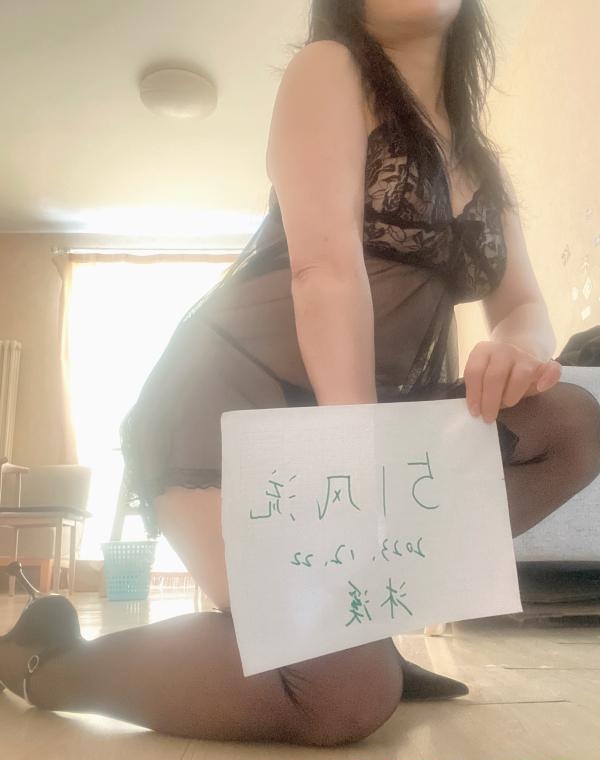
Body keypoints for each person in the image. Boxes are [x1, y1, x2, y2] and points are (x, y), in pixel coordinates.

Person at [1, 0, 599, 748]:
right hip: (233, 407)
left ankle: (359, 621)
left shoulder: (481, 162)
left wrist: (517, 345)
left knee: (572, 423)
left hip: (370, 412)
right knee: (343, 696)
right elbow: (325, 271)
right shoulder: (331, 68)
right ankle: (45, 664)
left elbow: (524, 305)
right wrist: (354, 460)